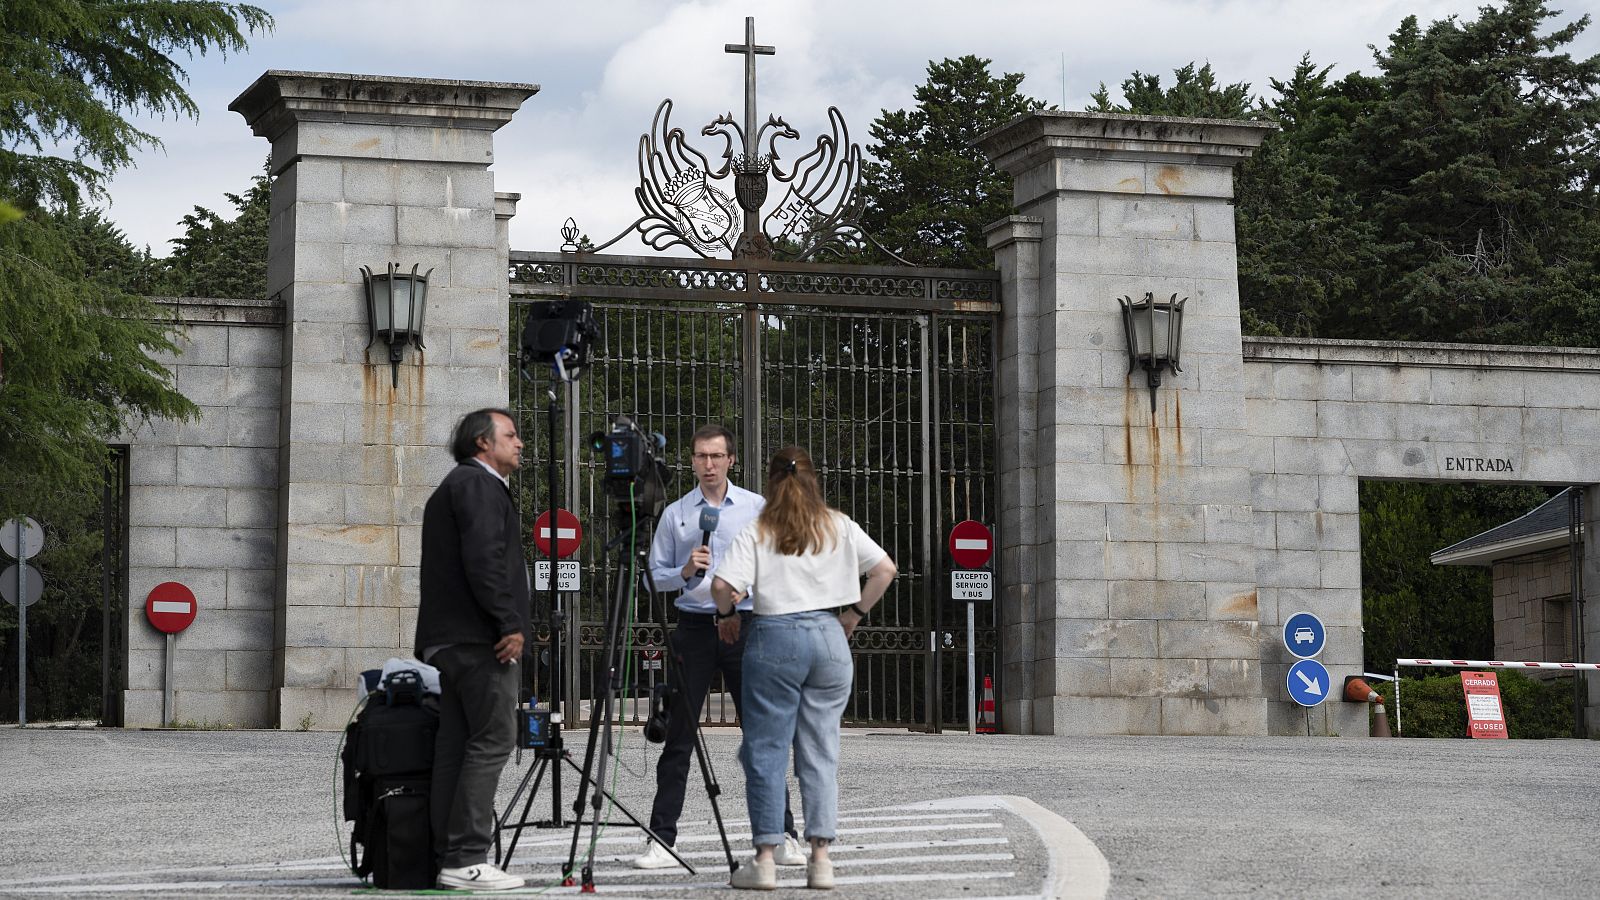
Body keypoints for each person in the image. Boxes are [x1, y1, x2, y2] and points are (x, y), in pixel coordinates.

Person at [711, 446, 897, 891]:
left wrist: (726, 616)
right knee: (820, 751)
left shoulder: (759, 529)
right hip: (829, 639)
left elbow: (721, 586)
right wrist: (853, 613)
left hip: (775, 637)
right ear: (814, 480)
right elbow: (885, 569)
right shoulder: (839, 525)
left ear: (772, 482)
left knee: (766, 751)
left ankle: (766, 860)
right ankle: (821, 859)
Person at [632, 425, 805, 870]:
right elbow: (652, 576)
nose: (707, 465)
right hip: (692, 626)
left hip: (744, 625)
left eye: (715, 456)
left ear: (731, 460)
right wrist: (686, 570)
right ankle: (662, 839)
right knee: (678, 738)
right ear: (691, 461)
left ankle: (782, 833)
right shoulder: (676, 515)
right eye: (700, 457)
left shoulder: (755, 508)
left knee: (761, 734)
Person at [415, 408, 530, 892]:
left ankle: (446, 855)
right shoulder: (481, 487)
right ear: (483, 443)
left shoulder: (453, 487)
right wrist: (509, 622)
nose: (519, 442)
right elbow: (485, 561)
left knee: (456, 747)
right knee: (493, 740)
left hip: (447, 641)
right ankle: (466, 856)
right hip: (480, 640)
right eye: (510, 435)